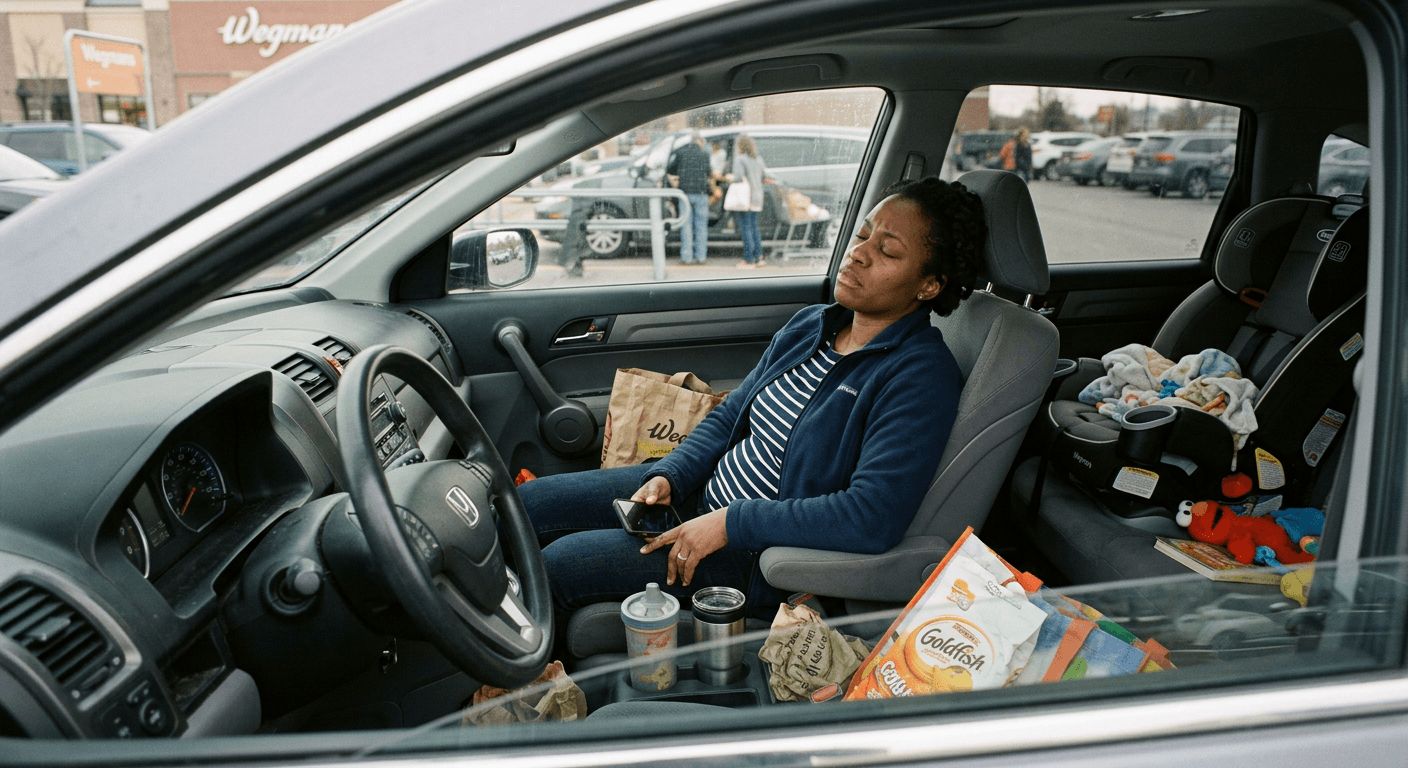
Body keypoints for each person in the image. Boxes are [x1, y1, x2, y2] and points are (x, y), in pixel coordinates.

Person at [520, 176, 986, 620]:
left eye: (887, 250)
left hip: (756, 556)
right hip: (701, 498)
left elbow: (870, 516)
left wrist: (731, 524)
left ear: (929, 284)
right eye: (862, 235)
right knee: (528, 504)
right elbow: (731, 415)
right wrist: (672, 475)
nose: (858, 254)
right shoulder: (813, 324)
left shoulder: (920, 375)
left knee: (558, 566)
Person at [666, 132, 712, 264]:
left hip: (685, 194)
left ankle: (687, 257)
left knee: (686, 226)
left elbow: (671, 169)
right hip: (701, 193)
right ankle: (701, 256)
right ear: (699, 140)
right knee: (701, 226)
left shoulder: (681, 153)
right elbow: (709, 172)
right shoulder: (705, 154)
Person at [730, 134, 771, 267]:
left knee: (746, 228)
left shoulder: (740, 159)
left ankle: (748, 259)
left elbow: (738, 177)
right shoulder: (758, 159)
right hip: (758, 197)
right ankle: (758, 257)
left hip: (746, 197)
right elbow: (765, 176)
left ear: (740, 146)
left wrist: (728, 177)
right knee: (754, 227)